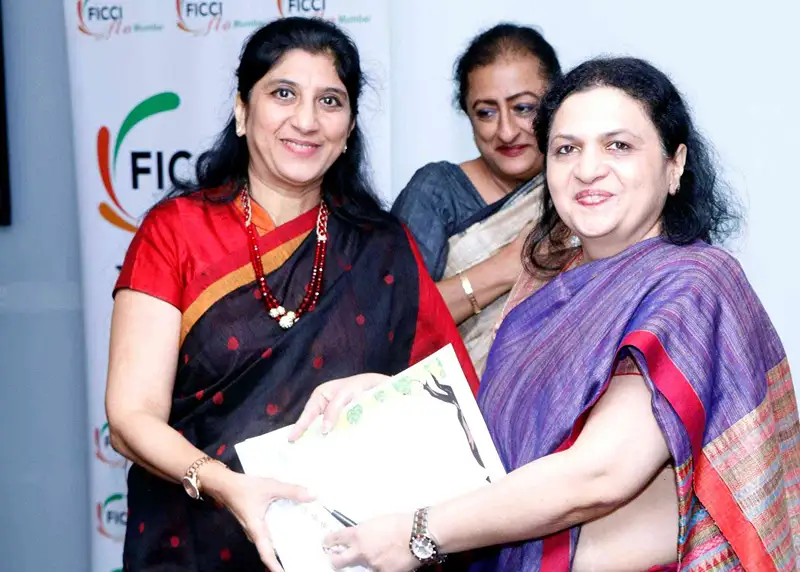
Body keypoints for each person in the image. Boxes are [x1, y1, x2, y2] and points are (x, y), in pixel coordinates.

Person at [293, 57, 800, 571]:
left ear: (675, 164)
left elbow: (600, 473)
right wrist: (390, 401)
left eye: (618, 146)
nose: (587, 169)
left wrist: (420, 533)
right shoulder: (549, 280)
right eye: (566, 149)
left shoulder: (692, 283)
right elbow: (500, 443)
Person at [104, 17, 477, 572]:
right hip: (191, 546)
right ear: (242, 111)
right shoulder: (176, 232)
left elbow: (453, 412)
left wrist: (382, 392)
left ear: (349, 128)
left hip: (343, 555)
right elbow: (131, 417)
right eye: (283, 93)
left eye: (330, 101)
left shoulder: (383, 247)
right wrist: (225, 484)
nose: (306, 120)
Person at [391, 23, 562, 374]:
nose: (506, 131)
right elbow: (392, 321)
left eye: (524, 108)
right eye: (486, 112)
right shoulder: (438, 191)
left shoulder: (581, 190)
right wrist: (505, 268)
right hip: (449, 400)